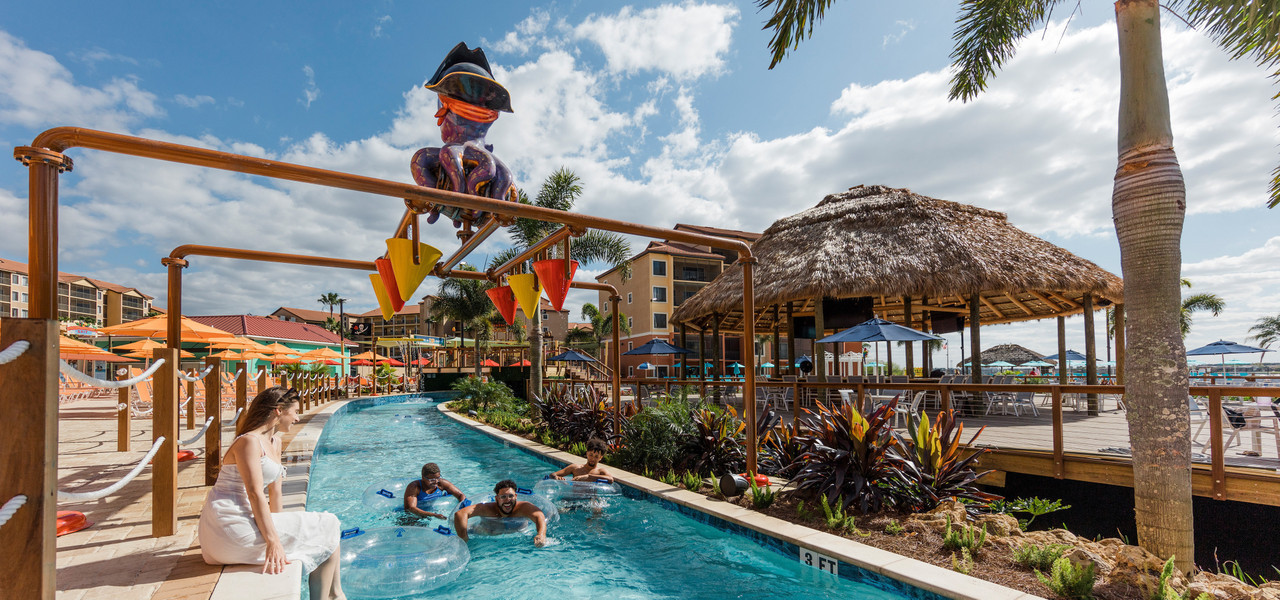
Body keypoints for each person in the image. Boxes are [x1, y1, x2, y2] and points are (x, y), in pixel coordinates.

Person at [199, 387, 345, 600]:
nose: (297, 418)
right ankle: (334, 595)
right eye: (295, 411)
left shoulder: (274, 442)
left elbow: (275, 494)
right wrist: (273, 540)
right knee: (328, 524)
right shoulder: (248, 441)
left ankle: (334, 594)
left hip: (244, 522)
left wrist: (280, 527)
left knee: (327, 526)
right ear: (278, 411)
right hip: (228, 526)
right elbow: (255, 493)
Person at [452, 479, 547, 546]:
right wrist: (463, 538)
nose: (507, 500)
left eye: (511, 496)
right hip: (486, 538)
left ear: (516, 496)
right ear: (496, 498)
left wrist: (541, 534)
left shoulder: (523, 507)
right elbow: (460, 514)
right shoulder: (487, 508)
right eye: (503, 497)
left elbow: (539, 516)